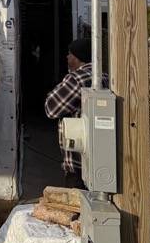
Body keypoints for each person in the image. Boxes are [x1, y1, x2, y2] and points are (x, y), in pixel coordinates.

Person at [45, 37, 108, 184]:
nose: (67, 57)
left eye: (70, 54)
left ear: (78, 58)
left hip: (78, 162)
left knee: (78, 201)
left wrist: (55, 91)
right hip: (100, 157)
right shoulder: (104, 76)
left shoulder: (76, 79)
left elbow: (51, 108)